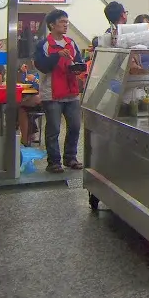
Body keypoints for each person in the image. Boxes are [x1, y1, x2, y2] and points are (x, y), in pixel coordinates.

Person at [33, 9, 85, 174]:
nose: (65, 25)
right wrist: (57, 56)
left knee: (75, 126)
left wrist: (78, 68)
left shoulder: (71, 43)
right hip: (52, 94)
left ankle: (70, 158)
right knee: (54, 129)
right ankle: (53, 162)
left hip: (71, 92)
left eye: (67, 22)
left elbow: (79, 62)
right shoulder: (44, 45)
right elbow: (41, 66)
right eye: (62, 22)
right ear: (52, 25)